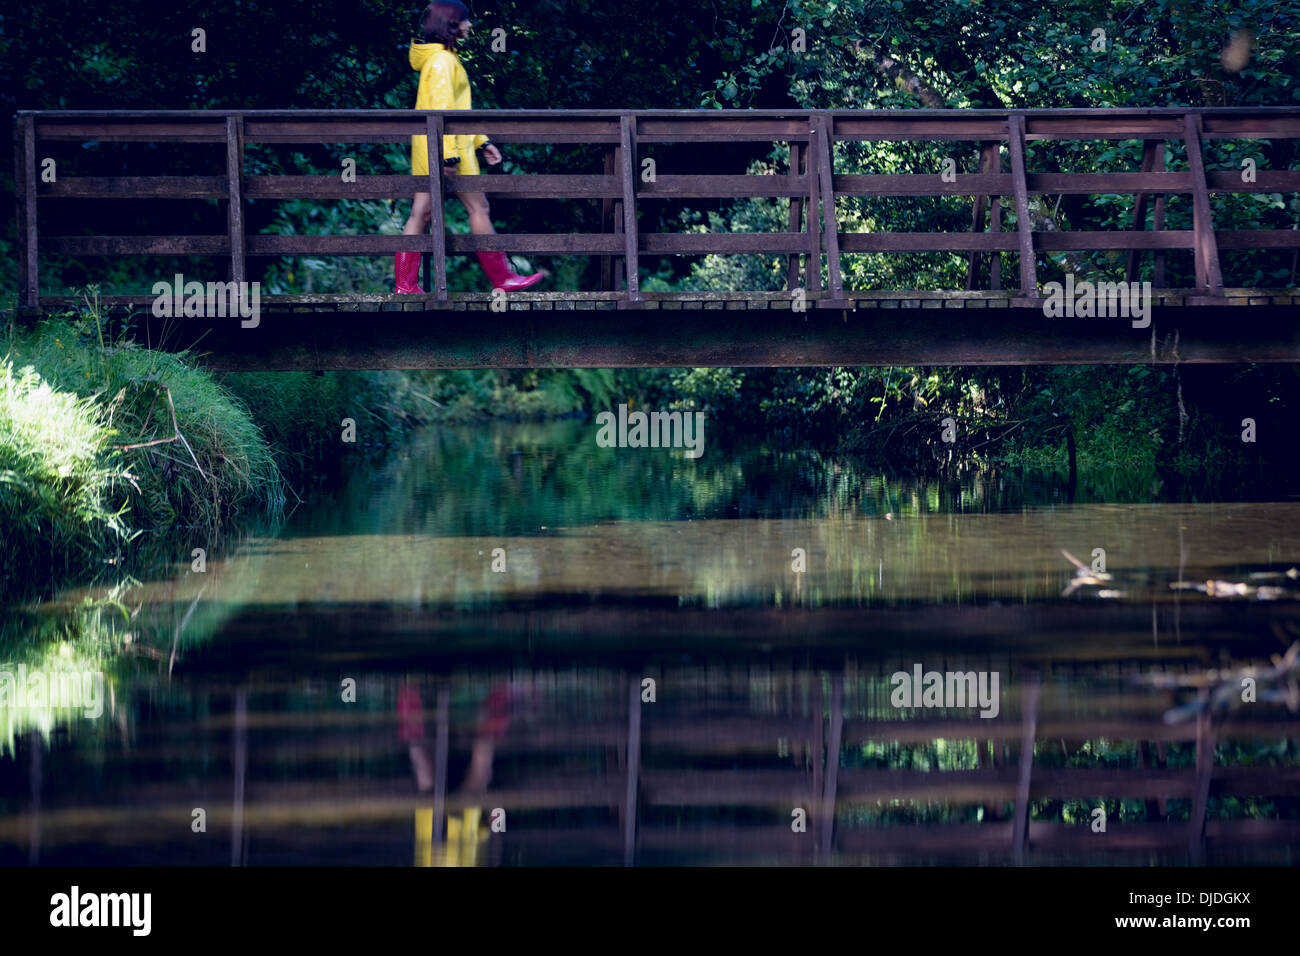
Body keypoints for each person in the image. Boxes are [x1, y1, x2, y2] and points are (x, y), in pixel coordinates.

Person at [396, 1, 546, 294]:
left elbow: (457, 109)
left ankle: (405, 285)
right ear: (451, 24)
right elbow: (441, 112)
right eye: (465, 21)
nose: (470, 26)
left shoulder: (443, 59)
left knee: (421, 213)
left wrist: (482, 141)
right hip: (448, 152)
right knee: (478, 207)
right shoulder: (442, 62)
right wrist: (448, 154)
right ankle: (501, 278)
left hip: (438, 149)